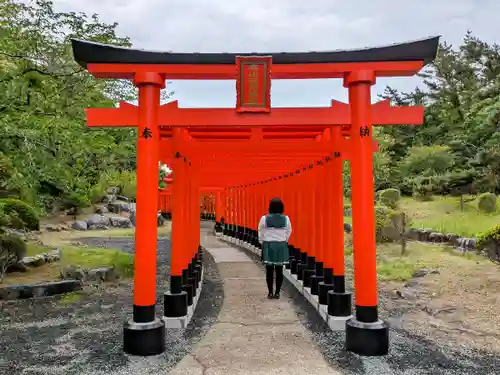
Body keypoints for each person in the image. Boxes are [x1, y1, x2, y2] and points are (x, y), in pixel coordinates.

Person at [258, 197, 292, 299]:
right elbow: (289, 231)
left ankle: (270, 292)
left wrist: (262, 241)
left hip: (268, 245)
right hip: (281, 245)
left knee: (269, 270)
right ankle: (277, 292)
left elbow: (260, 230)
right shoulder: (286, 219)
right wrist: (284, 240)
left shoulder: (264, 218)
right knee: (279, 270)